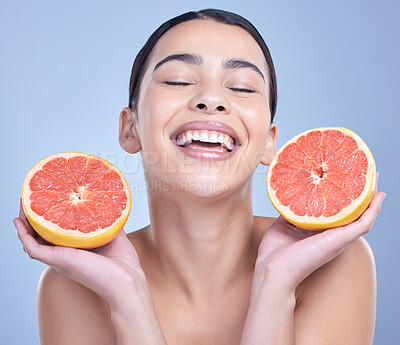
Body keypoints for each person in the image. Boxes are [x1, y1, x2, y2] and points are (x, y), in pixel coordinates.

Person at [13, 9, 385, 345]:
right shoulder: (75, 285)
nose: (211, 98)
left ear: (269, 144)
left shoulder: (335, 266)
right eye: (176, 80)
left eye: (241, 87)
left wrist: (276, 282)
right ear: (130, 129)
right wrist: (127, 296)